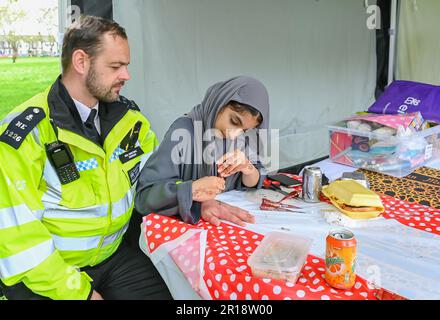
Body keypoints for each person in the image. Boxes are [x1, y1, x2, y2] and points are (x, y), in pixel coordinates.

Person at [0, 15, 171, 300]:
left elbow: (153, 179)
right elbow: (17, 238)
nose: (126, 76)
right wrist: (80, 293)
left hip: (112, 256)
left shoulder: (131, 122)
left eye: (126, 66)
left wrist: (189, 193)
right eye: (116, 66)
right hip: (45, 273)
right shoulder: (25, 134)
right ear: (81, 62)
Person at [135, 76, 270, 227]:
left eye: (244, 130)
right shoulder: (184, 131)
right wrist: (193, 190)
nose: (234, 134)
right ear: (219, 103)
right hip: (186, 235)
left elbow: (255, 179)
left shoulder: (236, 140)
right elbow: (146, 196)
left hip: (222, 227)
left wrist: (247, 167)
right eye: (234, 121)